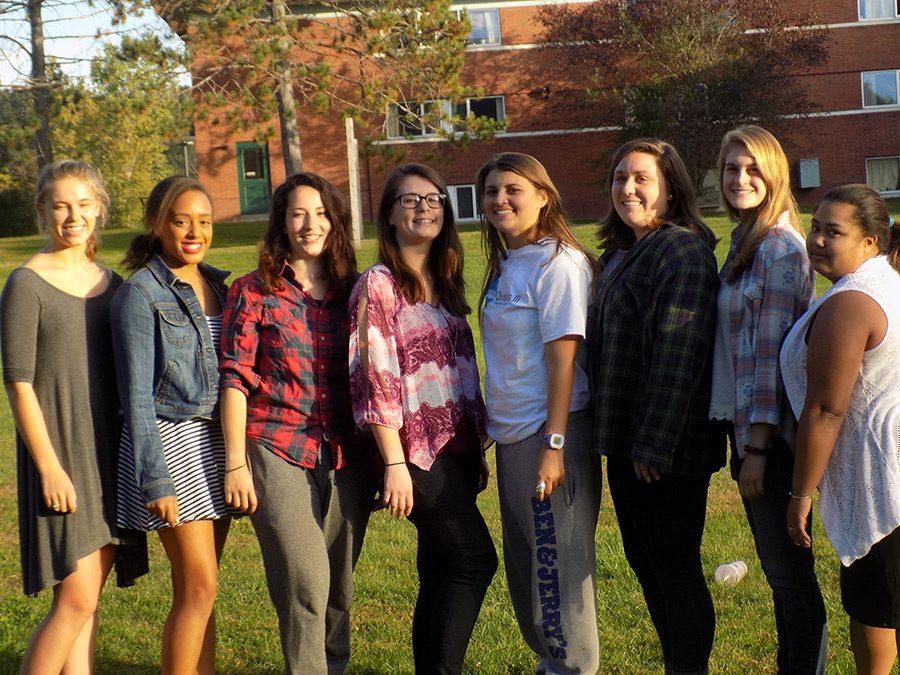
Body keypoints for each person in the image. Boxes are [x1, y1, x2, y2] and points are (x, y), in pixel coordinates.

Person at [219, 172, 374, 673]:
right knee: (307, 582)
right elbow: (236, 379)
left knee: (339, 589)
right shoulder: (252, 291)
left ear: (336, 221)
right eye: (298, 213)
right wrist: (236, 465)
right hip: (275, 446)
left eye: (322, 213)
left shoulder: (358, 291)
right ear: (282, 223)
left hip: (347, 453)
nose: (311, 224)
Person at [349, 163, 497, 674]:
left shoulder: (446, 281)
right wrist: (393, 463)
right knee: (474, 559)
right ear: (389, 215)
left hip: (453, 447)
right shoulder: (380, 284)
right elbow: (375, 376)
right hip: (411, 452)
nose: (424, 206)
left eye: (434, 198)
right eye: (410, 200)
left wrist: (475, 445)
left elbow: (460, 374)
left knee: (438, 569)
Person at [0, 160, 146, 673]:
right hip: (62, 454)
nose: (72, 216)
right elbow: (18, 382)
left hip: (111, 455)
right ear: (42, 210)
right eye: (60, 205)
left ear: (99, 209)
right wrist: (48, 468)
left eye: (83, 205)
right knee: (77, 600)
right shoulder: (26, 283)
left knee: (89, 604)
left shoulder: (114, 283)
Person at [588, 138, 723, 675]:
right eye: (621, 178)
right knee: (646, 563)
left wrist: (653, 442)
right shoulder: (625, 251)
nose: (628, 188)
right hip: (626, 440)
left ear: (672, 189)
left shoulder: (681, 250)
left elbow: (678, 352)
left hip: (664, 446)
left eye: (642, 178)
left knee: (674, 569)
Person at [476, 151, 601, 673]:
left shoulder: (559, 264)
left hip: (549, 437)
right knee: (528, 574)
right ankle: (554, 664)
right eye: (491, 192)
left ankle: (575, 666)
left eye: (513, 189)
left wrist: (555, 447)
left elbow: (563, 361)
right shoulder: (508, 261)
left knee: (557, 577)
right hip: (512, 439)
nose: (499, 200)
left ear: (544, 196)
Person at [708, 125, 826, 673]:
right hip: (751, 432)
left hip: (772, 439)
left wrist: (755, 447)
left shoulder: (778, 248)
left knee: (788, 576)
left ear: (775, 173)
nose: (740, 179)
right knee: (781, 575)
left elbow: (772, 355)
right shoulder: (746, 239)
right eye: (732, 168)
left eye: (753, 168)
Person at [111, 176, 233, 674]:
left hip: (213, 448)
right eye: (181, 220)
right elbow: (135, 396)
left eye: (204, 222)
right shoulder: (140, 294)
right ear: (158, 223)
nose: (193, 232)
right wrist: (154, 478)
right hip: (168, 444)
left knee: (201, 591)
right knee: (199, 587)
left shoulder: (219, 286)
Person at [782, 185, 900, 675]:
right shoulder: (883, 283)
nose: (818, 240)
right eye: (815, 227)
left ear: (871, 241)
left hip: (883, 482)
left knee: (876, 605)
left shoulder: (853, 301)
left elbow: (827, 409)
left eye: (835, 232)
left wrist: (800, 494)